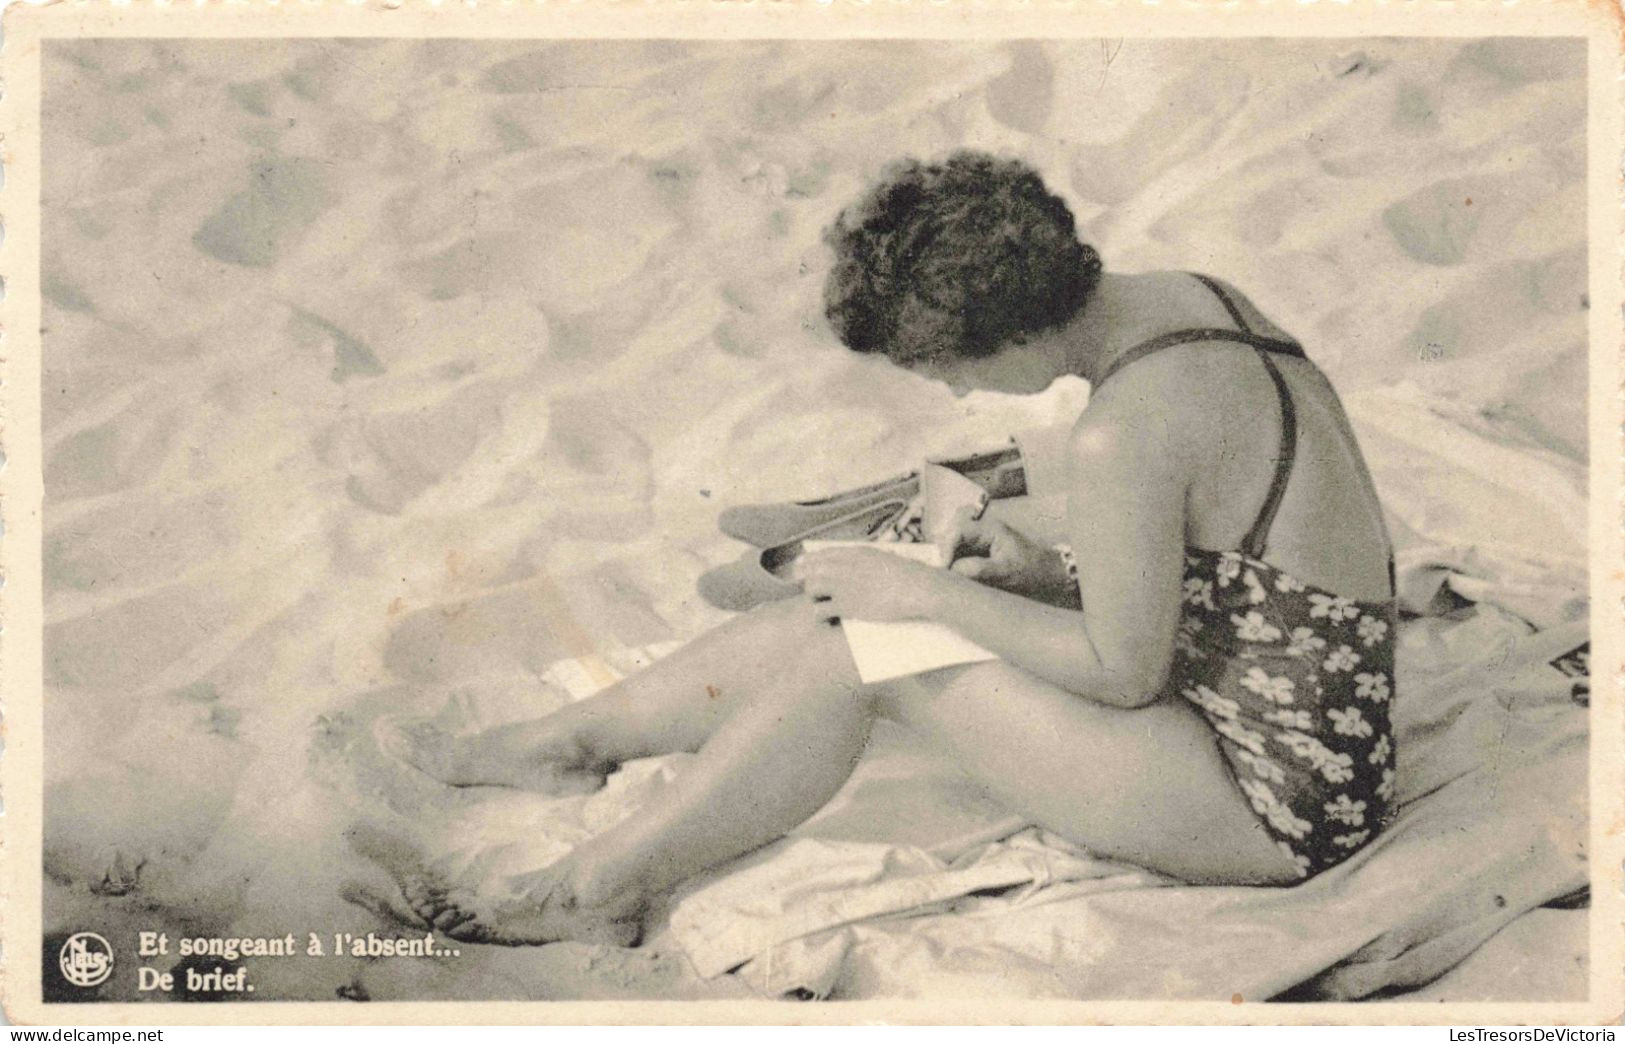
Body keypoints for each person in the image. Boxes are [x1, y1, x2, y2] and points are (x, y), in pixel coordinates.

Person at [376, 151, 1398, 946]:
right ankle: (564, 744)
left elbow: (1120, 674)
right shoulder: (1192, 298)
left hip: (1268, 803)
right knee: (849, 607)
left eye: (947, 370)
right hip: (1270, 708)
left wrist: (930, 602)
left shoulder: (1123, 429)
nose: (956, 396)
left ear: (1009, 337)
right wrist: (1036, 577)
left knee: (865, 646)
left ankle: (595, 887)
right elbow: (1228, 558)